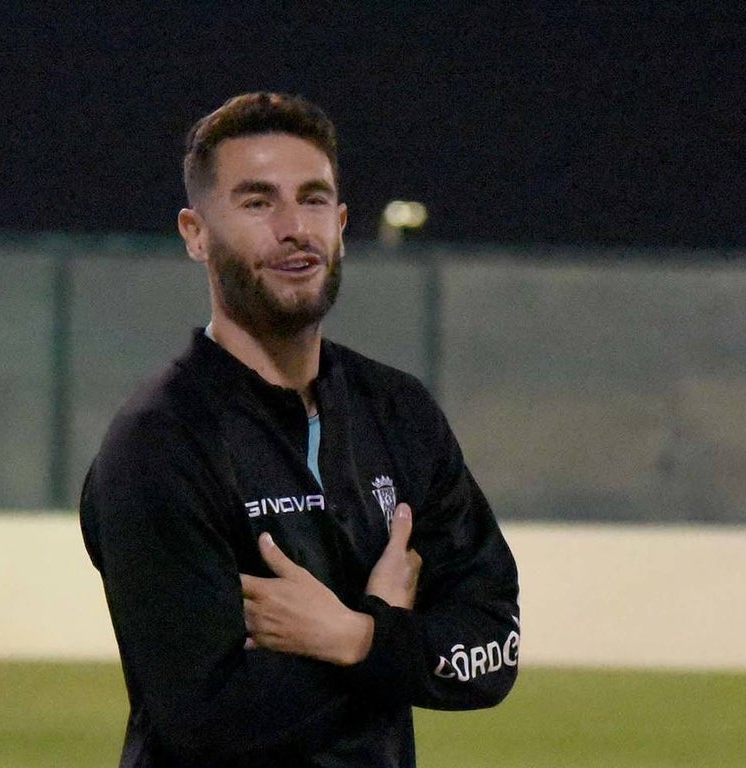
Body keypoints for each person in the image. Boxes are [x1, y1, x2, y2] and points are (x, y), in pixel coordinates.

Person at [80, 92, 520, 768]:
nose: (294, 228)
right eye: (258, 203)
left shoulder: (399, 414)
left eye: (313, 201)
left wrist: (356, 636)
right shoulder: (160, 445)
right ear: (195, 234)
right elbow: (204, 719)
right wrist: (387, 629)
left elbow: (493, 650)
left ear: (341, 224)